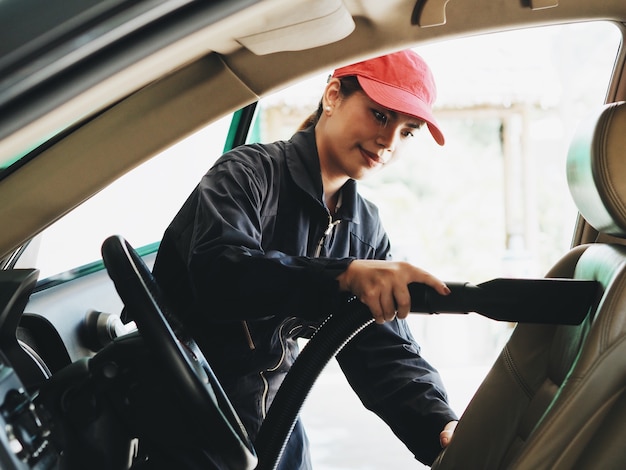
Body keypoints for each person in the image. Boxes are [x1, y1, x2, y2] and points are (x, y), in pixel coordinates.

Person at [152, 49, 458, 469]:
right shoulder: (248, 173)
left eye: (408, 131)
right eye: (380, 115)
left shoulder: (364, 229)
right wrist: (343, 276)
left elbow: (384, 349)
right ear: (333, 96)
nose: (388, 142)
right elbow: (220, 274)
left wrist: (442, 427)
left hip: (274, 426)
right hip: (187, 415)